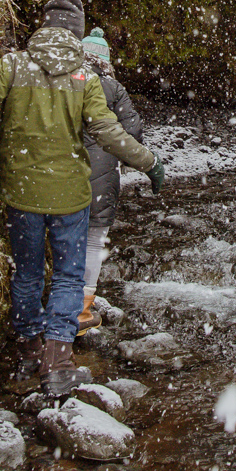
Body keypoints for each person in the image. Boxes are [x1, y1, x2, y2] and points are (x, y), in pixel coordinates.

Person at [0, 0, 166, 397]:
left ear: (43, 26)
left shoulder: (12, 65)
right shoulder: (86, 77)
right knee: (66, 277)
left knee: (27, 273)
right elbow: (110, 134)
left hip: (21, 195)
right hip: (70, 199)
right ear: (77, 35)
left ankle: (28, 349)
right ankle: (58, 363)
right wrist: (149, 163)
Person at [76, 28, 145, 335]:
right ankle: (82, 308)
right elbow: (132, 132)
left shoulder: (66, 83)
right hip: (104, 176)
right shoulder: (114, 89)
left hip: (66, 172)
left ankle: (57, 302)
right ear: (106, 61)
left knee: (64, 237)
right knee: (93, 242)